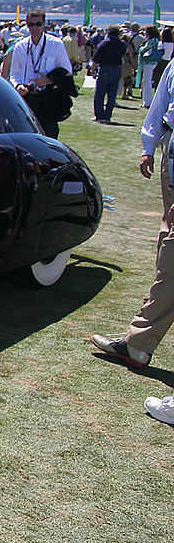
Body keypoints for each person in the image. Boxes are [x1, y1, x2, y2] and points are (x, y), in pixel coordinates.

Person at [91, 62, 174, 383]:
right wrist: (149, 146)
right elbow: (162, 104)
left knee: (171, 257)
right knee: (166, 248)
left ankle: (138, 341)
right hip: (171, 154)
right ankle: (139, 340)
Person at [7, 9, 72, 139]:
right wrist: (17, 85)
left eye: (38, 24)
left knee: (49, 137)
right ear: (27, 25)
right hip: (27, 98)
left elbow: (67, 70)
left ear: (43, 25)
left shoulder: (56, 44)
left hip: (47, 99)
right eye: (31, 24)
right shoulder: (20, 46)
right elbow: (14, 73)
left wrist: (48, 80)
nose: (34, 28)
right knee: (25, 136)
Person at [90, 25, 126, 125]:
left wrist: (93, 70)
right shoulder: (122, 44)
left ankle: (99, 115)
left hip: (105, 68)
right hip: (117, 68)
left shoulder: (104, 43)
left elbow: (96, 58)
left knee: (100, 93)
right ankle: (108, 116)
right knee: (112, 94)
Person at [138, 25, 163, 109]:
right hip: (153, 62)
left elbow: (144, 49)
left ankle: (147, 101)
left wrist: (141, 48)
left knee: (146, 82)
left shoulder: (152, 41)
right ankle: (146, 100)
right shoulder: (157, 40)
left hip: (149, 62)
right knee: (146, 81)